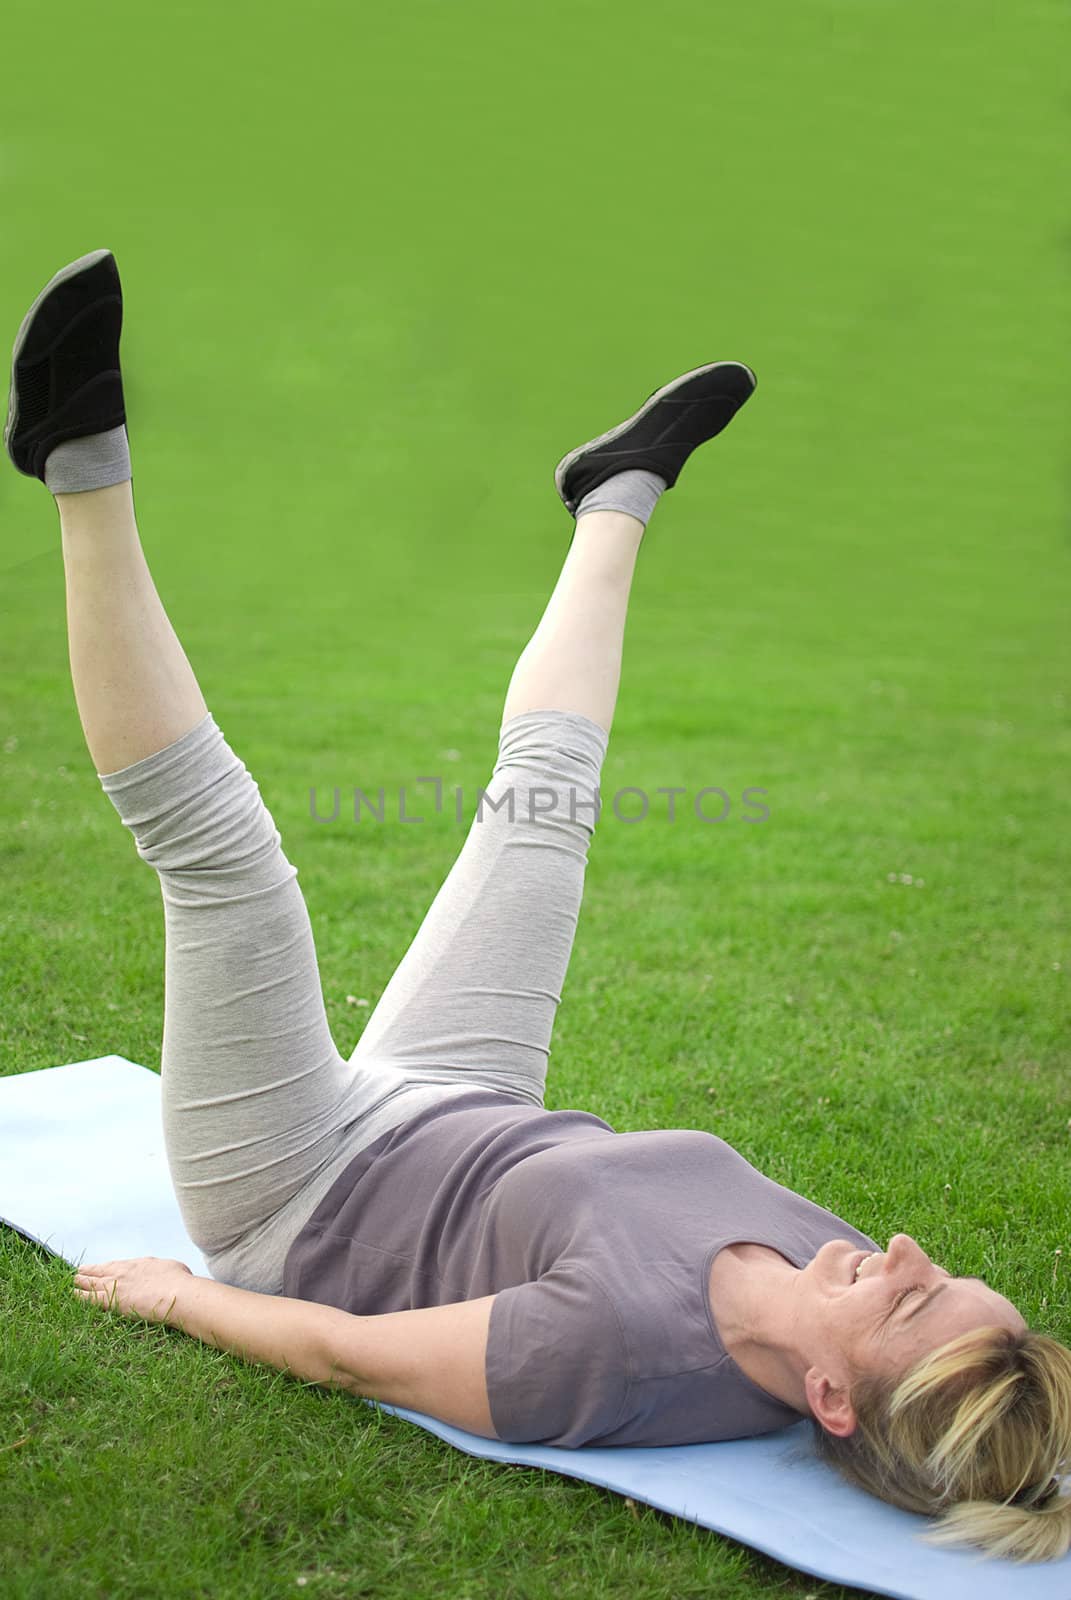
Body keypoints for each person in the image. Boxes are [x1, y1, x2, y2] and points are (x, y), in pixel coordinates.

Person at [6, 251, 1071, 1566]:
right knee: (547, 809)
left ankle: (75, 459)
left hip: (301, 1186)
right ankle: (616, 490)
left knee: (230, 868)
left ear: (835, 1401)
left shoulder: (613, 1361)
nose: (902, 1248)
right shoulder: (839, 1282)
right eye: (942, 1269)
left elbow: (346, 1353)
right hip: (469, 1105)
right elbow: (976, 1405)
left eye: (914, 1300)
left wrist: (177, 1297)